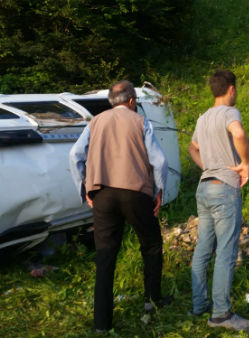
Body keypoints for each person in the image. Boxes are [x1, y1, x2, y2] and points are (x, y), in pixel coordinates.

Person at [69, 80, 169, 332]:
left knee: (105, 256)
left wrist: (85, 189)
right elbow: (160, 161)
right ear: (132, 101)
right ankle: (151, 300)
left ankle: (102, 324)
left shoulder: (95, 122)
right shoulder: (140, 122)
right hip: (135, 193)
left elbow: (74, 155)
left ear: (112, 102)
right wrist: (158, 191)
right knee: (151, 243)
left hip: (102, 193)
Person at [188, 69, 249, 331]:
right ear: (231, 89)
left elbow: (192, 148)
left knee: (203, 247)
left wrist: (207, 166)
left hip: (203, 187)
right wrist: (245, 164)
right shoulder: (229, 113)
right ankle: (221, 315)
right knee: (226, 252)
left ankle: (198, 305)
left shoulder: (203, 117)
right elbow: (238, 134)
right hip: (224, 188)